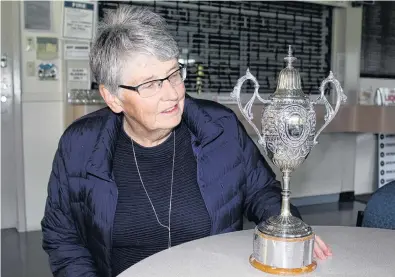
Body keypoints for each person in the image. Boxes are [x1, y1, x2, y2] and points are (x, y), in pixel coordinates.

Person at [41, 6, 332, 277]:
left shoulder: (221, 128)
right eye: (151, 84)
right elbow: (62, 237)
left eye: (174, 74)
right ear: (113, 97)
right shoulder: (79, 145)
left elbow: (262, 193)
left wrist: (288, 230)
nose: (172, 93)